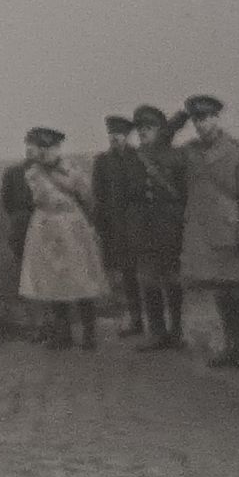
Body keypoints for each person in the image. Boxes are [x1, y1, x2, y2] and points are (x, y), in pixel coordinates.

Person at [174, 95, 239, 370]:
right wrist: (175, 122)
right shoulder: (189, 153)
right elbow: (159, 148)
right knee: (221, 294)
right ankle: (230, 346)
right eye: (196, 120)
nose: (201, 125)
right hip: (204, 235)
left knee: (236, 293)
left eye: (205, 119)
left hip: (231, 233)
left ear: (217, 118)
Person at [18, 127, 108, 350]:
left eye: (49, 147)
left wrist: (90, 225)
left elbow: (88, 198)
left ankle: (89, 332)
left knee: (82, 278)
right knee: (53, 279)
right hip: (45, 228)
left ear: (58, 148)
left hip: (72, 227)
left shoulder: (73, 171)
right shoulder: (32, 173)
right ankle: (62, 333)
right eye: (41, 148)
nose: (45, 152)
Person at [128, 104, 190, 349]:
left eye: (148, 127)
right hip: (143, 230)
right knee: (149, 281)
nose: (142, 132)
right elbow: (127, 197)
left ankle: (176, 331)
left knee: (173, 280)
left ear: (160, 130)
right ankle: (157, 332)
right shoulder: (134, 159)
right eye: (140, 128)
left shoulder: (175, 157)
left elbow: (185, 193)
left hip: (170, 227)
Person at [93, 115, 143, 337]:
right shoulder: (102, 161)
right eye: (111, 133)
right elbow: (99, 196)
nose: (114, 137)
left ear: (127, 135)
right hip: (118, 228)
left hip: (141, 225)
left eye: (119, 133)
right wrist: (102, 227)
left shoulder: (139, 157)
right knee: (128, 275)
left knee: (149, 275)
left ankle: (162, 324)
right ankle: (136, 320)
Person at [0, 145, 39, 341]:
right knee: (27, 277)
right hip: (22, 229)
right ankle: (36, 325)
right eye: (29, 146)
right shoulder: (14, 173)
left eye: (37, 147)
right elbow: (7, 202)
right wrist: (20, 219)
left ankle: (54, 323)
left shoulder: (49, 172)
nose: (32, 151)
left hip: (46, 228)